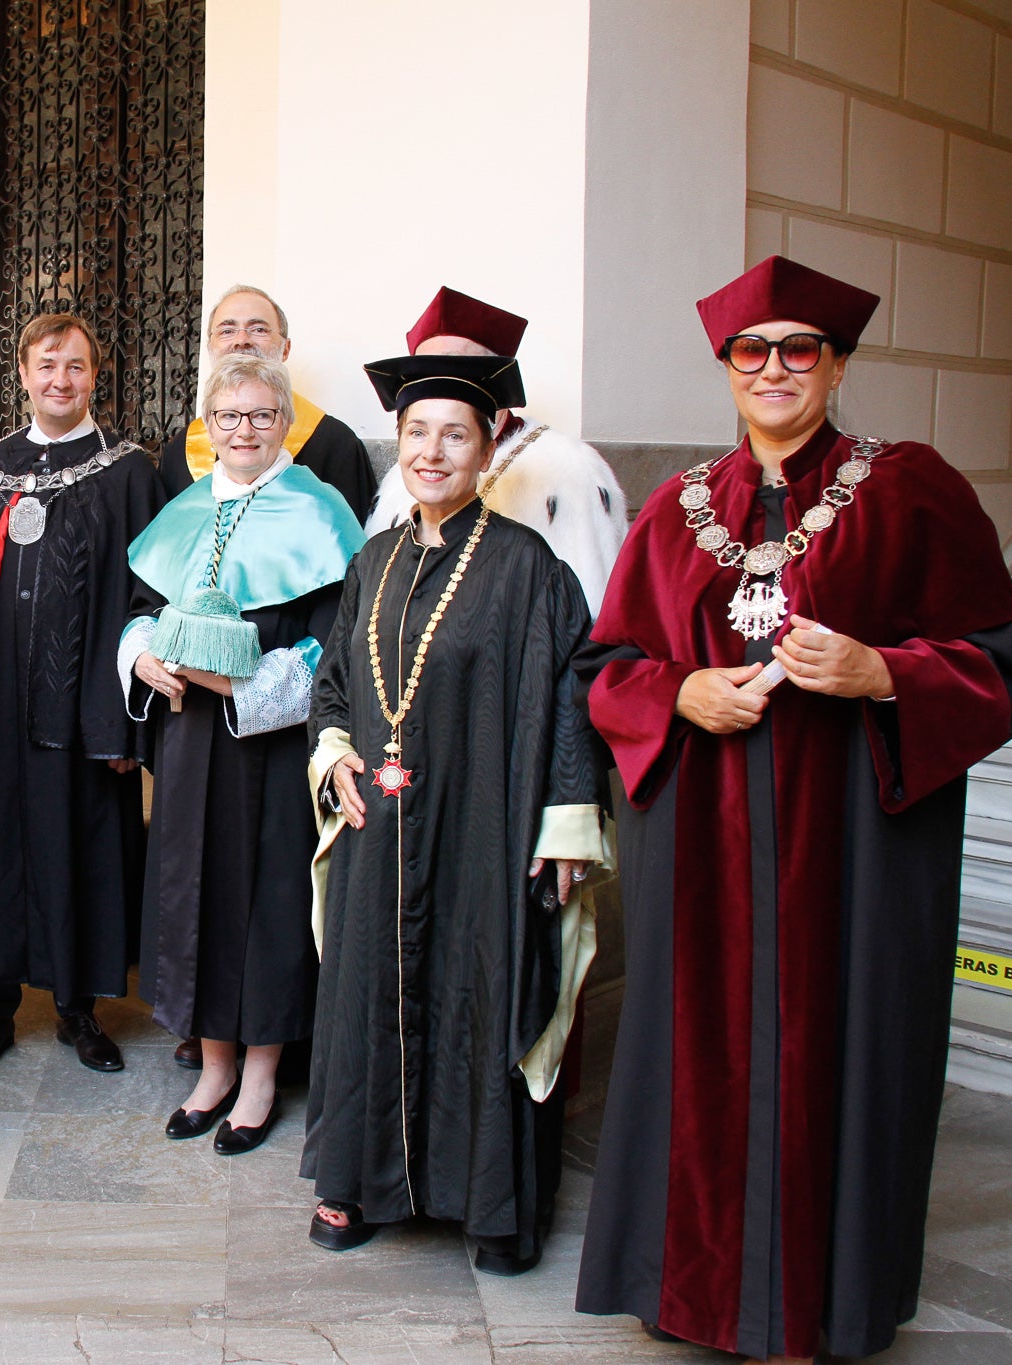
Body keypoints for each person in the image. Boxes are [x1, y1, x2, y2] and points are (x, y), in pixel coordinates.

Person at [573, 256, 1012, 1363]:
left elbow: (1000, 668)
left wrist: (882, 675)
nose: (772, 368)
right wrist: (678, 690)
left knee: (839, 1055)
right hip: (701, 853)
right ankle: (694, 1292)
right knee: (697, 1056)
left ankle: (815, 1307)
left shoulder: (912, 488)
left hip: (854, 857)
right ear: (725, 369)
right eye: (751, 351)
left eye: (797, 351)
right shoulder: (675, 509)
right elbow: (602, 667)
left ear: (833, 367)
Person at [302, 351, 601, 1276]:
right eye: (417, 432)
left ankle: (488, 1202)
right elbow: (336, 684)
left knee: (481, 983)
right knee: (364, 991)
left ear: (488, 447)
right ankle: (359, 1179)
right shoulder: (374, 559)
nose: (431, 452)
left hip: (484, 828)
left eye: (454, 436)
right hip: (376, 828)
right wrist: (337, 748)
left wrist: (565, 827)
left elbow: (570, 701)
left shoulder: (529, 570)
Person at [122, 353, 364, 1152]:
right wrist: (143, 656)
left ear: (284, 421)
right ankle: (214, 1064)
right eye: (228, 416)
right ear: (208, 425)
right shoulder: (187, 507)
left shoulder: (321, 512)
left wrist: (238, 688)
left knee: (267, 901)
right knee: (195, 891)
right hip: (188, 744)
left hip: (270, 747)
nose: (245, 431)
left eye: (262, 415)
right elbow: (139, 609)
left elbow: (335, 648)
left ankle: (260, 1072)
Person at [0, 313, 165, 1079]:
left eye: (75, 366)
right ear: (22, 373)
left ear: (95, 376)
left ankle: (80, 1009)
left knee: (83, 847)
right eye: (47, 366)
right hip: (2, 705)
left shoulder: (130, 470)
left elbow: (149, 592)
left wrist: (122, 720)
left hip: (86, 709)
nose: (61, 380)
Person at [370, 286, 628, 614]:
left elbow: (585, 615)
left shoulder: (568, 469)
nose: (442, 384)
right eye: (427, 371)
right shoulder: (404, 475)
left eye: (459, 369)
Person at [158, 285, 377, 523]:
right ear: (210, 348)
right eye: (227, 331)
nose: (241, 341)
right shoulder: (180, 451)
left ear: (286, 349)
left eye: (258, 329)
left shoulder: (336, 445)